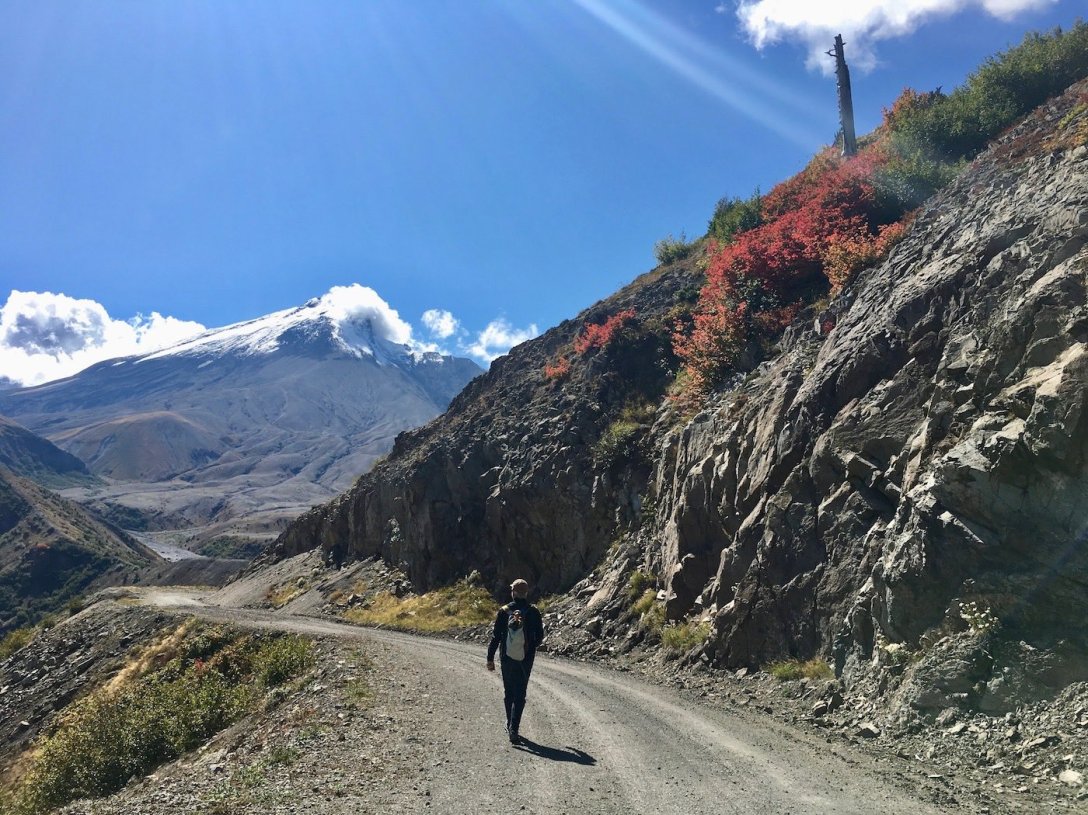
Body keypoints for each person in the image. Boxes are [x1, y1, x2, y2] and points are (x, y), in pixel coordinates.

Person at [486, 578, 545, 744]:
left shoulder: (504, 611)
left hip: (506, 657)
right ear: (526, 593)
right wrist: (529, 647)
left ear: (513, 592)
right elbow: (540, 637)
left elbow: (496, 637)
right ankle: (514, 728)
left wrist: (490, 658)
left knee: (509, 691)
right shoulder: (533, 611)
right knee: (520, 692)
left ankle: (509, 723)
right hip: (526, 658)